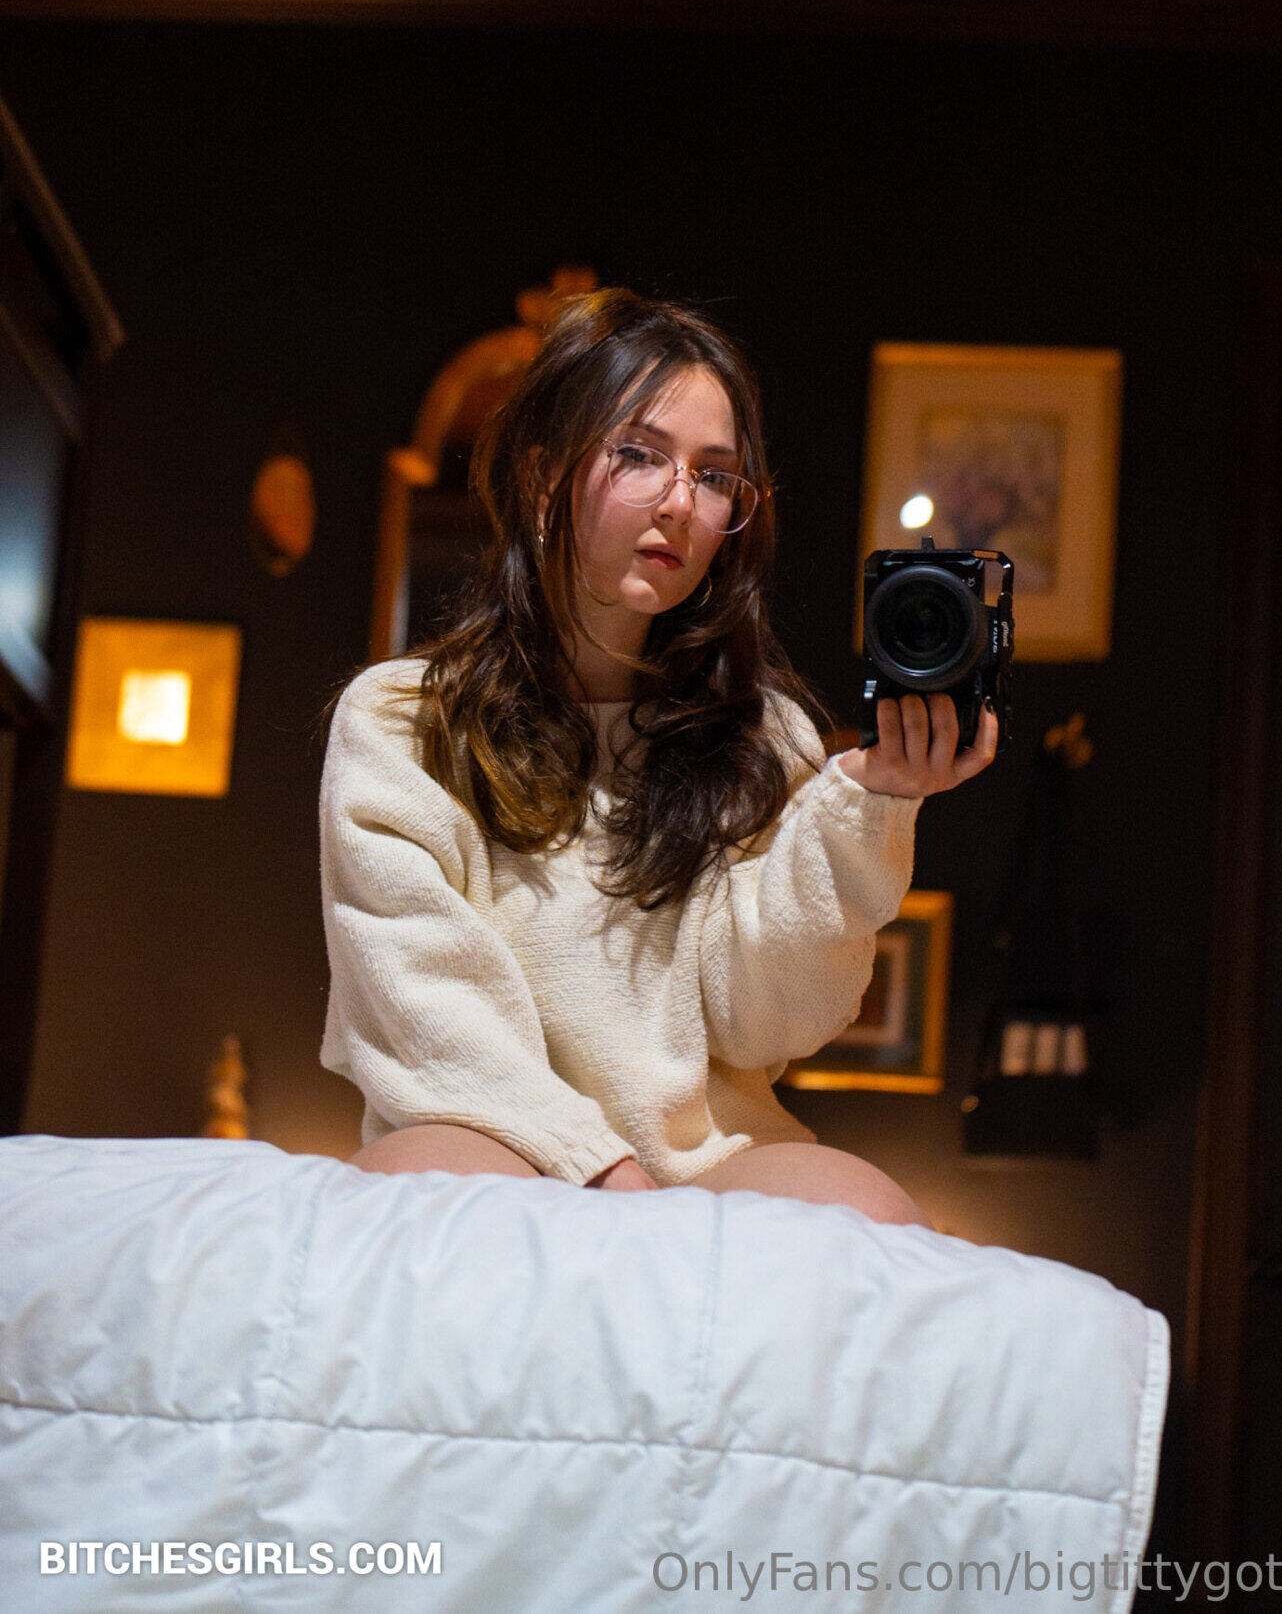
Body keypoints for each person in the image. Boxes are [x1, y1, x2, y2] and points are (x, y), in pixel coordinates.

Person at [318, 288, 998, 1228]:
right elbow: (426, 1004)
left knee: (865, 1212)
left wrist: (866, 802)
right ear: (544, 477)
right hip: (485, 1143)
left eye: (714, 476)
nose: (681, 503)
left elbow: (769, 1025)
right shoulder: (401, 721)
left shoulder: (766, 738)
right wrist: (594, 1171)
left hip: (698, 1168)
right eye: (638, 456)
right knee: (434, 1188)